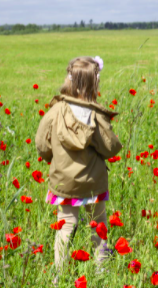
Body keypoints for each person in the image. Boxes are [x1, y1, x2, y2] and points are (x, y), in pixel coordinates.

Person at [35, 56, 122, 278]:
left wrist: (53, 158)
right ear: (94, 84)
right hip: (93, 183)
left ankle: (59, 276)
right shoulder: (96, 115)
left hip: (64, 183)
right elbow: (110, 148)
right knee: (98, 226)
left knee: (65, 227)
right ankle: (102, 271)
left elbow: (41, 145)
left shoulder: (56, 111)